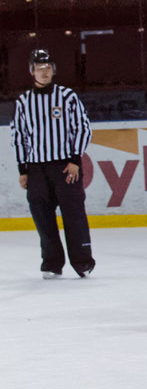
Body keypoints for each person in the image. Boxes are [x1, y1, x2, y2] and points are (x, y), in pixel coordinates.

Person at [9, 49, 95, 279]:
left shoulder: (67, 96)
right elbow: (19, 135)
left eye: (48, 68)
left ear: (53, 70)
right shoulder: (23, 101)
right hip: (36, 169)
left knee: (74, 214)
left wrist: (75, 159)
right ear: (32, 71)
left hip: (65, 165)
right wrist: (23, 169)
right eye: (39, 68)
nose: (44, 72)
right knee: (42, 217)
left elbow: (83, 127)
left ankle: (82, 261)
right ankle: (52, 262)